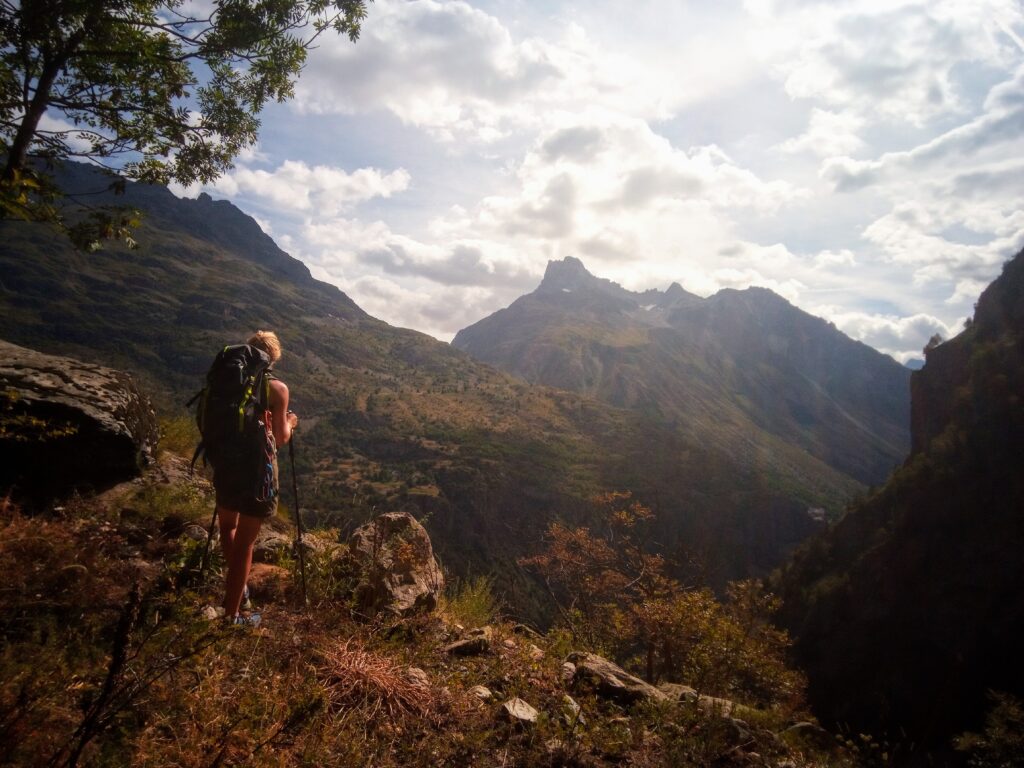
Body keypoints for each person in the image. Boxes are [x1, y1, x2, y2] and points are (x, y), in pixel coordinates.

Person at [215, 330, 298, 625]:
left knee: (228, 529)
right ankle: (233, 615)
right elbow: (279, 438)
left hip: (224, 463)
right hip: (257, 472)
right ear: (273, 357)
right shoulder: (276, 389)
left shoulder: (227, 381)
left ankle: (240, 592)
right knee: (246, 545)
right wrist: (289, 421)